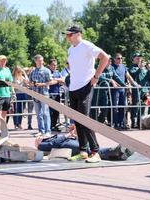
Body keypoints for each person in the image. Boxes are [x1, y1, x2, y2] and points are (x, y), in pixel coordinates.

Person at [62, 25, 109, 163]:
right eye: (67, 35)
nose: (67, 37)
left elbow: (104, 58)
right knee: (77, 120)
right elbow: (72, 65)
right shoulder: (71, 49)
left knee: (84, 119)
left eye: (70, 35)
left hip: (85, 86)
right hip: (73, 88)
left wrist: (96, 77)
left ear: (78, 34)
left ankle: (95, 151)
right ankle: (83, 151)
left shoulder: (87, 45)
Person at [36, 131, 134, 161]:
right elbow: (54, 144)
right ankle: (116, 151)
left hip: (71, 142)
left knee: (93, 150)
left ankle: (118, 154)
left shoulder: (50, 137)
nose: (41, 136)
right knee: (92, 150)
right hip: (67, 146)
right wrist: (67, 135)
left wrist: (73, 135)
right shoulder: (41, 145)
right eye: (39, 137)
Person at [29, 55, 54, 137]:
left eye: (42, 60)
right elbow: (30, 83)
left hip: (44, 94)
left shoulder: (46, 70)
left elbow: (51, 81)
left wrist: (42, 84)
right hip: (35, 94)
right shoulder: (33, 71)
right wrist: (32, 84)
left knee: (45, 113)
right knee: (38, 114)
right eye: (39, 60)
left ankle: (48, 131)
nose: (41, 62)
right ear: (35, 61)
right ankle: (41, 130)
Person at [48, 59, 64, 132]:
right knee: (50, 111)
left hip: (57, 94)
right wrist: (57, 81)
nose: (55, 66)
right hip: (49, 94)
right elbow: (49, 81)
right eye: (53, 65)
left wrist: (56, 79)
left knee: (56, 111)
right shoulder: (47, 72)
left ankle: (54, 125)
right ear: (49, 65)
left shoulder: (58, 72)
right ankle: (50, 125)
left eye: (56, 65)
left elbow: (63, 80)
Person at [12, 66, 29, 130]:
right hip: (16, 94)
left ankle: (19, 124)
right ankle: (15, 124)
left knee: (21, 110)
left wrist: (24, 73)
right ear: (15, 71)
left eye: (20, 71)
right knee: (16, 110)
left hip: (22, 94)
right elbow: (12, 87)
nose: (19, 72)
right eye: (18, 71)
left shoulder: (22, 77)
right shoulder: (13, 78)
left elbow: (27, 82)